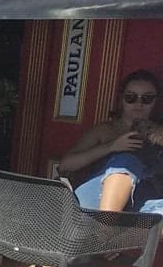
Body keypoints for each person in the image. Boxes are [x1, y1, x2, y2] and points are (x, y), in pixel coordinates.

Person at [61, 70, 163, 215]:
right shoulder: (106, 129)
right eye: (131, 97)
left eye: (147, 98)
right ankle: (106, 222)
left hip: (140, 204)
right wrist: (111, 147)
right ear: (121, 99)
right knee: (126, 161)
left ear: (156, 101)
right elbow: (65, 165)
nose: (138, 104)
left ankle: (113, 226)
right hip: (96, 198)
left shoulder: (158, 132)